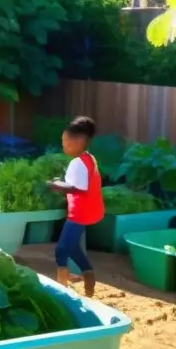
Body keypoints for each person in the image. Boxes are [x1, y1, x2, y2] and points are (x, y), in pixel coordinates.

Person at [47, 116, 105, 298]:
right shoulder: (89, 158)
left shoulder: (77, 163)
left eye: (65, 141)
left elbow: (76, 188)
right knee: (72, 248)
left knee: (61, 250)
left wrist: (54, 184)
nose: (63, 145)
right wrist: (61, 184)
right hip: (88, 209)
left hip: (80, 212)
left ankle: (61, 287)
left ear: (79, 140)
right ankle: (88, 276)